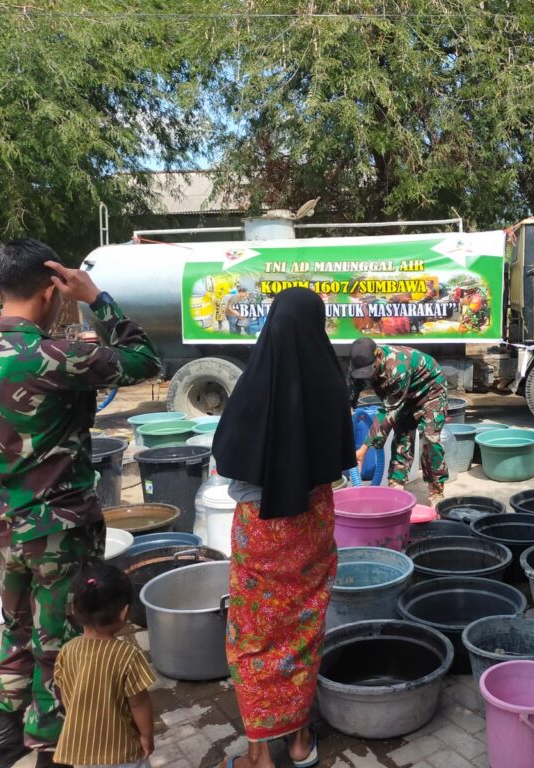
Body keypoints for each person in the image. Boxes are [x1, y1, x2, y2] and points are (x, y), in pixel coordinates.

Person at [0, 239, 162, 768]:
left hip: (2, 530)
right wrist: (99, 298)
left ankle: (1, 744)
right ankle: (51, 749)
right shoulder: (58, 358)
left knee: (16, 632)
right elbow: (145, 360)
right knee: (59, 641)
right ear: (51, 292)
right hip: (59, 531)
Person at [212, 288, 355, 768]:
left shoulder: (254, 385)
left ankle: (259, 753)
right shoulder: (332, 383)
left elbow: (230, 458)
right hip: (313, 523)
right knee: (302, 628)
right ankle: (299, 743)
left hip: (262, 530)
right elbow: (337, 459)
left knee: (254, 634)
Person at [53, 564, 155, 768]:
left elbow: (65, 695)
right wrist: (147, 736)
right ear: (124, 612)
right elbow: (139, 703)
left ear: (74, 609)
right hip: (122, 751)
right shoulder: (128, 655)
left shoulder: (67, 650)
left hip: (81, 752)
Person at [349, 338, 449, 506]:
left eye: (370, 370)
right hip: (404, 395)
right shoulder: (359, 364)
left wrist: (364, 449)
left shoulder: (396, 368)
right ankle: (396, 488)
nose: (367, 375)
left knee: (430, 440)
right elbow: (353, 389)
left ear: (379, 356)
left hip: (431, 391)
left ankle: (436, 490)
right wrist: (349, 408)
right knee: (402, 439)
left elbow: (388, 413)